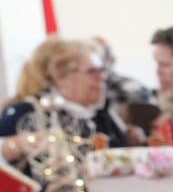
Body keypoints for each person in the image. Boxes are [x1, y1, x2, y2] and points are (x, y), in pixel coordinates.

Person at [0, 38, 132, 172]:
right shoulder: (29, 112)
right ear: (61, 77)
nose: (102, 77)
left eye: (102, 70)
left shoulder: (100, 112)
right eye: (92, 71)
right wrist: (13, 146)